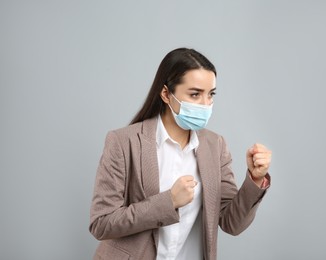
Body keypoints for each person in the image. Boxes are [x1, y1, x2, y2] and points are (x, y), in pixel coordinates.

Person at [89, 48, 272, 260]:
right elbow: (101, 223)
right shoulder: (123, 142)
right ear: (166, 94)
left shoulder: (216, 145)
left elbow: (231, 223)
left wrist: (255, 179)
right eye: (195, 94)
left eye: (210, 94)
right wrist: (169, 202)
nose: (205, 104)